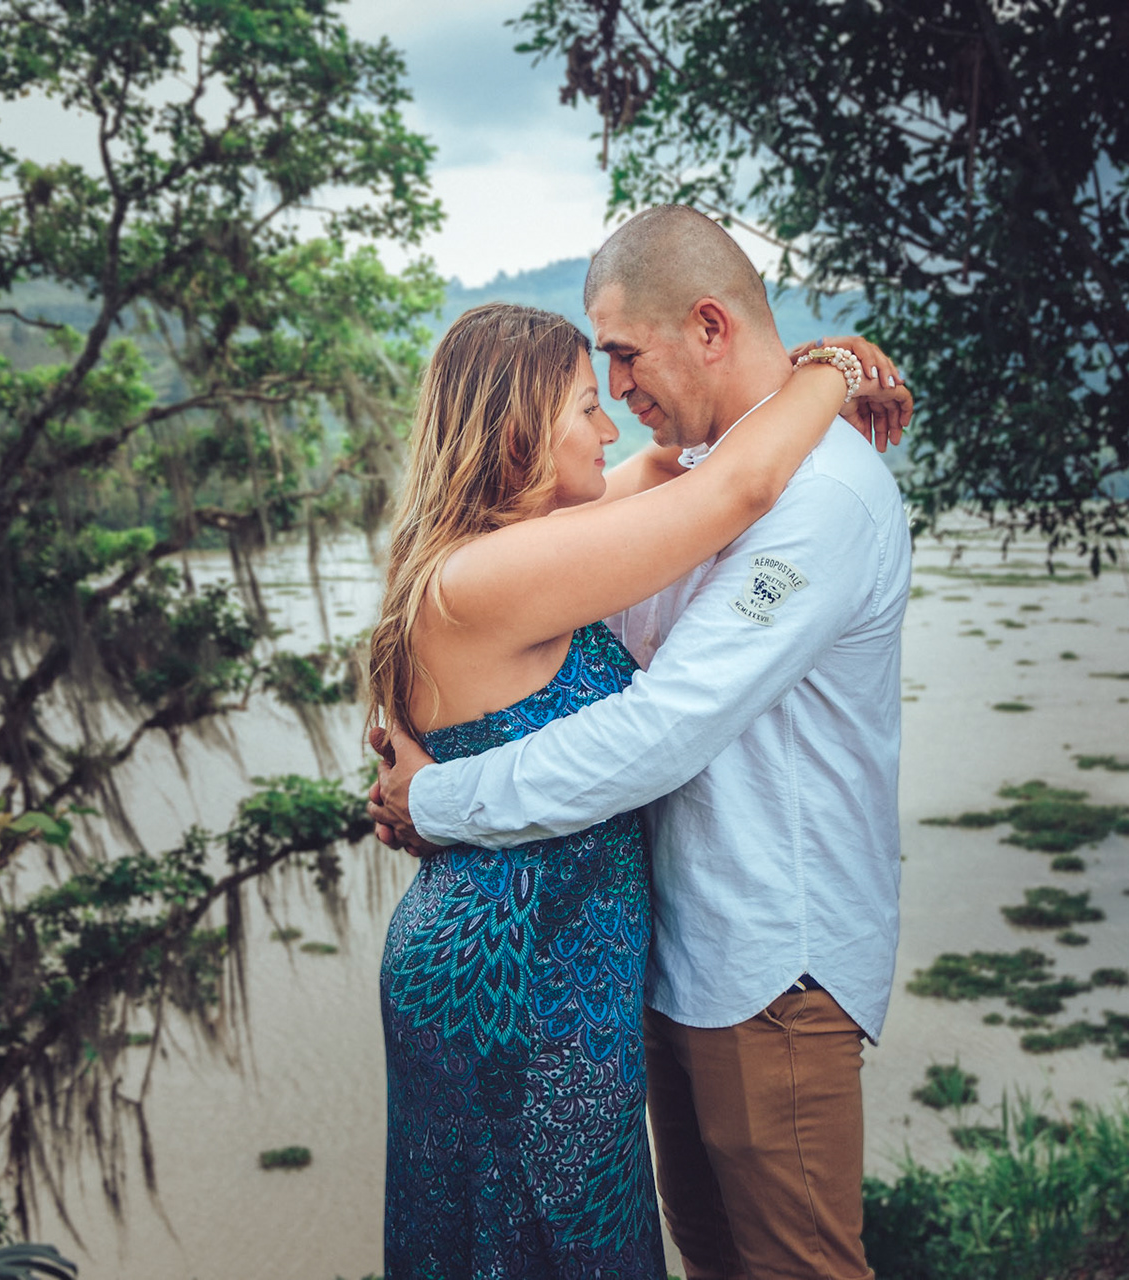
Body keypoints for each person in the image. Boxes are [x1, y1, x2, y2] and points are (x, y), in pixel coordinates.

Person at [370, 205, 914, 1280]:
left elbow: (663, 725)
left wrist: (826, 372)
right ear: (517, 430)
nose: (616, 403)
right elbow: (718, 480)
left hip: (763, 962)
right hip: (565, 968)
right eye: (591, 390)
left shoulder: (815, 492)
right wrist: (831, 369)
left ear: (708, 325)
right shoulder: (547, 546)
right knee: (611, 1248)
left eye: (620, 358)